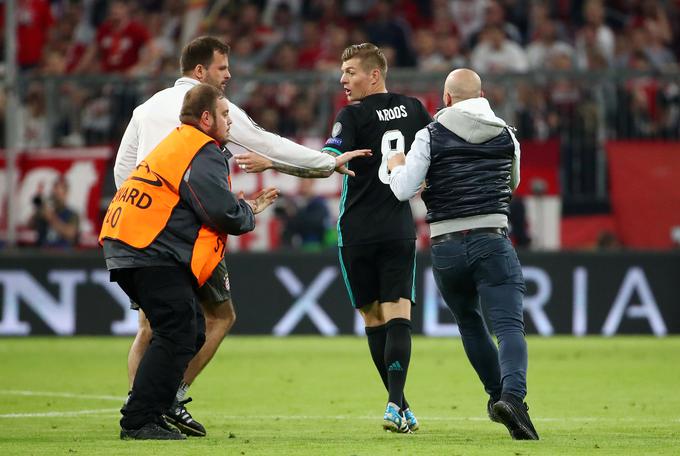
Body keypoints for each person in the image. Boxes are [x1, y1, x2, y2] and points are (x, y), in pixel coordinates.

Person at [114, 36, 369, 437]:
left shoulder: (145, 109)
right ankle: (165, 400)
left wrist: (146, 206)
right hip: (193, 235)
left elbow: (124, 169)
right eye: (222, 68)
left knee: (151, 326)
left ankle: (139, 402)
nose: (229, 75)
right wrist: (327, 163)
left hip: (142, 231)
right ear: (200, 72)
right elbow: (268, 144)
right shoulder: (214, 110)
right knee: (218, 317)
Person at [101, 83, 279, 440]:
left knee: (189, 327)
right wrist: (247, 210)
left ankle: (152, 409)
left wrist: (236, 208)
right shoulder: (201, 149)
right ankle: (139, 420)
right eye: (226, 114)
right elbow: (220, 211)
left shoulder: (177, 142)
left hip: (128, 242)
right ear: (206, 117)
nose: (231, 121)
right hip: (148, 248)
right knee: (179, 328)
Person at [386, 68, 539, 440]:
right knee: (508, 327)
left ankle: (496, 397)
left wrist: (396, 167)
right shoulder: (506, 135)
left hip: (446, 246)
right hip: (492, 239)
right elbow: (512, 182)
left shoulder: (429, 134)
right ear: (482, 94)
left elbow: (403, 190)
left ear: (447, 97)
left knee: (470, 324)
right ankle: (513, 398)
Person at [320, 43, 432, 433]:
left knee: (372, 319)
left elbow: (329, 156)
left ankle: (396, 405)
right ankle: (397, 403)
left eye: (350, 71)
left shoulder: (350, 115)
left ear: (374, 74)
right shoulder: (415, 109)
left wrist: (281, 160)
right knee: (398, 313)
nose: (343, 79)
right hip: (398, 228)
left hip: (356, 230)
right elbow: (435, 155)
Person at [28, 177, 79, 248]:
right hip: (42, 252)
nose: (56, 196)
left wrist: (51, 218)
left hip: (62, 253)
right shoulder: (45, 209)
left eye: (59, 194)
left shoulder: (72, 214)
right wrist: (39, 211)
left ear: (65, 194)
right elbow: (30, 225)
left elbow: (70, 233)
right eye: (54, 192)